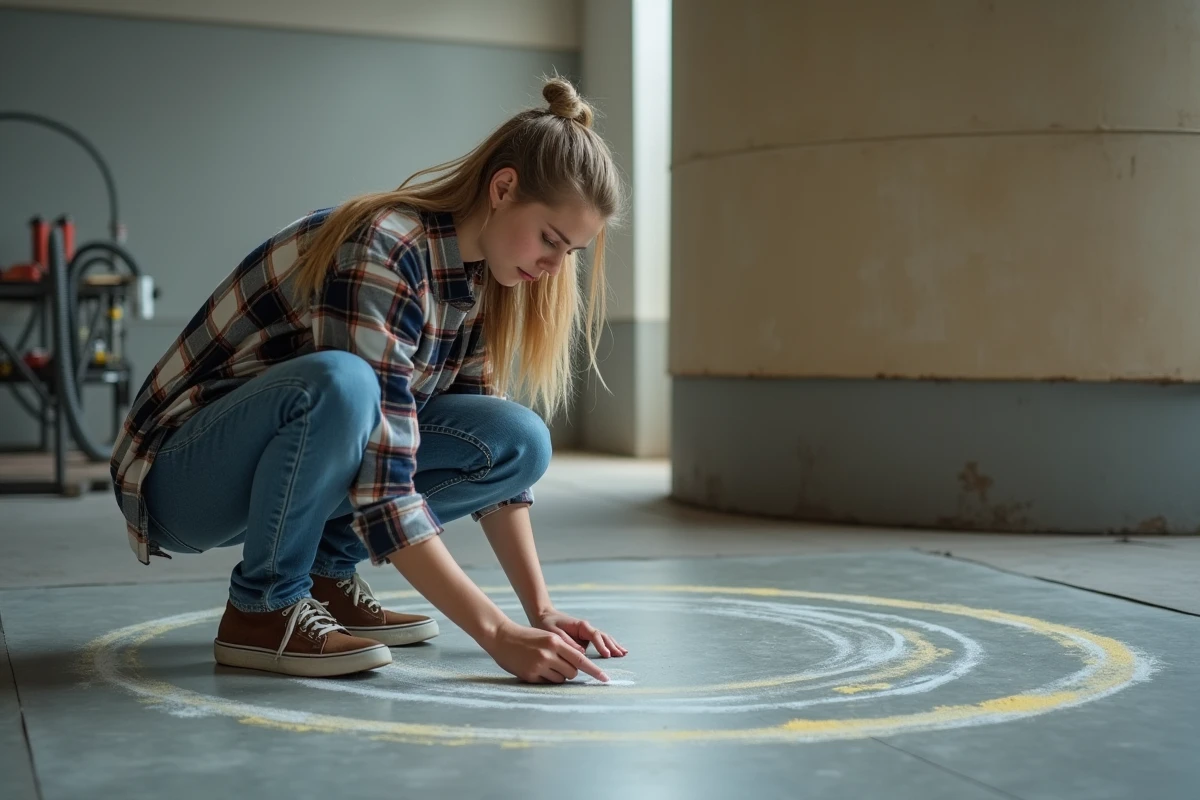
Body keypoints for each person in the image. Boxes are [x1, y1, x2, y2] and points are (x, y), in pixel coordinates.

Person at [109, 76, 628, 683]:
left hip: (279, 469)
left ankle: (325, 575)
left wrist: (538, 612)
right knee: (344, 385)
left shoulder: (479, 279)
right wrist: (495, 633)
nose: (553, 266)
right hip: (179, 481)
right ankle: (263, 608)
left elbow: (486, 462)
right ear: (503, 187)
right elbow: (384, 483)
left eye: (571, 253)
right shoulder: (386, 247)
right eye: (550, 240)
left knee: (518, 438)